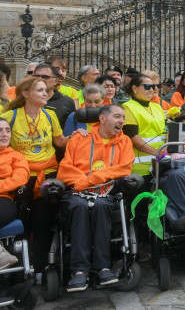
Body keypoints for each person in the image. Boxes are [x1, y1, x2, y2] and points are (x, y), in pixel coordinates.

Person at [1, 77, 79, 277]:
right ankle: (18, 271)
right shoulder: (10, 115)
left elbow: (60, 141)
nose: (46, 93)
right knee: (22, 222)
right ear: (25, 94)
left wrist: (78, 135)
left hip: (49, 174)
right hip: (22, 175)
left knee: (44, 219)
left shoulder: (49, 115)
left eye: (46, 90)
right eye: (40, 90)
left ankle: (42, 267)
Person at [56, 104, 134, 292]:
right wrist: (83, 183)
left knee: (100, 206)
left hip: (106, 193)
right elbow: (65, 169)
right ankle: (79, 271)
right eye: (117, 116)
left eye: (123, 117)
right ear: (102, 118)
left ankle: (103, 267)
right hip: (77, 192)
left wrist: (94, 179)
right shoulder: (78, 139)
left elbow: (124, 168)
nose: (121, 120)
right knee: (80, 207)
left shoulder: (125, 141)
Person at [122, 74, 166, 177]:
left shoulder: (157, 107)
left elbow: (166, 131)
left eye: (154, 86)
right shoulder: (128, 107)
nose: (152, 89)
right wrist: (156, 152)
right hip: (141, 166)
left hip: (160, 163)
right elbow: (132, 137)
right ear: (134, 88)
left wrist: (165, 150)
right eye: (147, 86)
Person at [0, 118, 29, 270]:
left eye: (7, 130)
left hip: (4, 201)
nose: (4, 134)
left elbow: (19, 179)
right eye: (0, 130)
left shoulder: (16, 156)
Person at [33, 63, 75, 130]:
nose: (40, 79)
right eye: (36, 76)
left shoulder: (67, 102)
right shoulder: (26, 99)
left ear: (56, 81)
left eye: (45, 77)